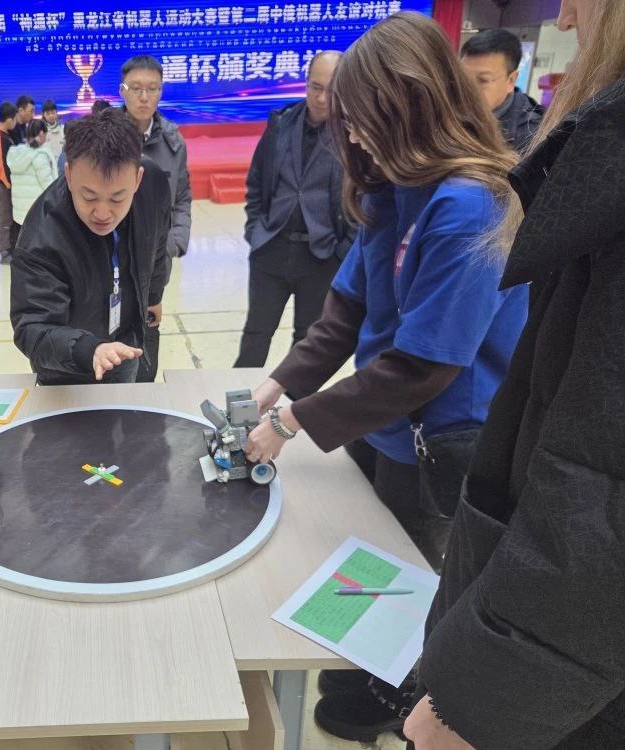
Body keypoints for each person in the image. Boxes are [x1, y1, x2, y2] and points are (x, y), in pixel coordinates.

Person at [241, 12, 528, 742]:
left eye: (365, 122)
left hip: (443, 441)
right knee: (361, 566)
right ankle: (354, 686)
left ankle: (391, 703)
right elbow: (347, 307)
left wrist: (290, 422)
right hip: (380, 422)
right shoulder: (392, 186)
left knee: (412, 586)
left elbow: (424, 366)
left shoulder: (471, 204)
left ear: (411, 107)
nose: (356, 140)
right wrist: (278, 385)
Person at [405, 1, 625, 748]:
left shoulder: (466, 200)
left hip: (561, 682)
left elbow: (599, 495)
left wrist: (476, 703)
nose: (562, 15)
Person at [10, 109, 171, 385]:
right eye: (89, 197)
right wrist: (89, 350)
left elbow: (156, 242)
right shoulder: (42, 236)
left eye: (117, 198)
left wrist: (153, 295)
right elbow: (32, 328)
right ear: (69, 175)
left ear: (137, 179)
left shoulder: (153, 186)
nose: (103, 213)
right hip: (66, 366)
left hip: (126, 342)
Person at [235, 51, 356, 367]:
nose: (322, 98)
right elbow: (257, 180)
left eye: (331, 90)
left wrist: (342, 252)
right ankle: (240, 393)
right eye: (315, 87)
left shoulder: (353, 135)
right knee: (256, 334)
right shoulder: (281, 123)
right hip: (271, 247)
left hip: (322, 255)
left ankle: (293, 397)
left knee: (308, 338)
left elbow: (362, 196)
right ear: (305, 83)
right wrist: (255, 229)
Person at [120, 54, 192, 382]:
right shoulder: (103, 137)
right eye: (136, 88)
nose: (144, 97)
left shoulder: (173, 142)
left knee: (147, 349)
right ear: (122, 91)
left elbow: (182, 198)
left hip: (154, 267)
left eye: (152, 89)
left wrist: (175, 242)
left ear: (161, 92)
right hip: (110, 264)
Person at [461, 28, 545, 153]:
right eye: (463, 78)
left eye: (483, 80)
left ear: (511, 80)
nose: (468, 89)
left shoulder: (532, 136)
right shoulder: (447, 111)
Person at [8, 119, 58, 227]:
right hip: (35, 212)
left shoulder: (17, 153)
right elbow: (48, 186)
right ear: (41, 133)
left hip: (19, 212)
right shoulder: (40, 156)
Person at [0, 101, 18, 263]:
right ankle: (4, 251)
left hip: (6, 183)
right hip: (3, 183)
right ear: (9, 120)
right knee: (5, 217)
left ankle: (11, 246)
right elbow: (1, 165)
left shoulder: (5, 134)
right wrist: (8, 184)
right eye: (15, 119)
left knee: (9, 216)